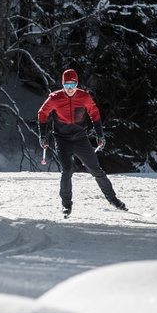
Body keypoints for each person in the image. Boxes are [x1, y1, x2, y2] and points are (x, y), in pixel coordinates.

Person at [38, 69, 126, 216]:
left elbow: (94, 113)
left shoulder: (84, 96)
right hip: (62, 139)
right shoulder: (55, 98)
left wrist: (100, 135)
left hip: (80, 139)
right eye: (66, 85)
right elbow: (42, 113)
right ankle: (66, 205)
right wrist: (43, 136)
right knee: (67, 171)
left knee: (96, 170)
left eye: (72, 85)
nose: (70, 89)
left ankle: (113, 200)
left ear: (77, 84)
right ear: (63, 85)